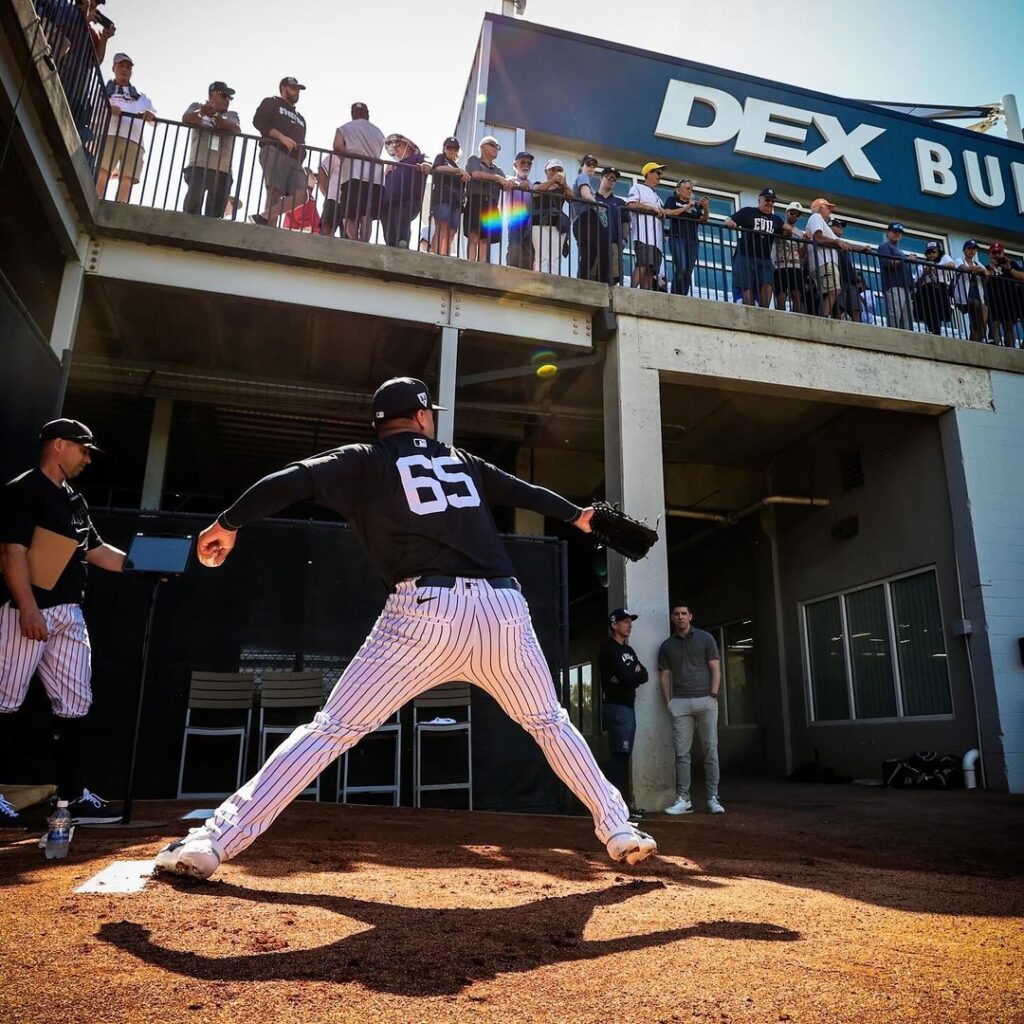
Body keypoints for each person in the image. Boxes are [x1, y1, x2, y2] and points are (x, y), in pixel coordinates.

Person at [155, 377, 657, 878]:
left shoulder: (364, 459)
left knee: (331, 731)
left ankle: (215, 840)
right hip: (503, 610)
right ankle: (618, 828)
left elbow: (288, 481)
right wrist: (581, 516)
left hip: (425, 614)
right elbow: (526, 492)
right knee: (549, 722)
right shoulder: (462, 460)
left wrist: (228, 522)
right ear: (421, 416)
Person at [0, 419, 127, 825]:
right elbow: (11, 553)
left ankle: (70, 796)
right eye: (82, 449)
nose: (87, 458)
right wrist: (28, 606)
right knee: (5, 698)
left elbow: (96, 550)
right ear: (58, 445)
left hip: (69, 611)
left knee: (75, 703)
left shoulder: (73, 499)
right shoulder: (24, 489)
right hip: (26, 610)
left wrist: (147, 563)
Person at [658, 601, 723, 816]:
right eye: (676, 614)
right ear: (672, 618)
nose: (680, 617)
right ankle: (684, 800)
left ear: (690, 616)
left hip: (705, 700)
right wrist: (669, 702)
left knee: (710, 751)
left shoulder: (706, 638)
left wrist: (713, 695)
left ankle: (713, 798)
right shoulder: (667, 646)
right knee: (682, 754)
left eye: (684, 613)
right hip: (680, 703)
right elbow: (665, 675)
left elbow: (715, 668)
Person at [598, 608, 648, 815]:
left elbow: (643, 675)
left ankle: (619, 807)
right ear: (614, 625)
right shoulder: (609, 650)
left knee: (623, 756)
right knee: (619, 756)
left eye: (630, 622)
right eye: (625, 622)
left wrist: (629, 677)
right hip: (617, 707)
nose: (629, 625)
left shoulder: (628, 650)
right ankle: (615, 808)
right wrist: (630, 676)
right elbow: (629, 678)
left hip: (627, 706)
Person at [97, 53, 156, 203]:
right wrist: (109, 110)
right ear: (113, 68)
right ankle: (96, 202)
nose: (125, 69)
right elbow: (94, 113)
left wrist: (150, 116)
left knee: (127, 178)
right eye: (121, 66)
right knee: (103, 172)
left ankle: (120, 208)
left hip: (135, 141)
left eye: (128, 67)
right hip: (109, 135)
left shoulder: (142, 97)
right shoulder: (103, 91)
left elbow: (155, 119)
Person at [251, 77, 308, 227]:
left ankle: (263, 217)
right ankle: (268, 233)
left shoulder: (301, 117)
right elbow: (259, 121)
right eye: (293, 88)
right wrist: (282, 137)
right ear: (283, 87)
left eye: (298, 89)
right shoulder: (272, 102)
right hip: (274, 150)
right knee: (274, 192)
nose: (297, 92)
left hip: (295, 160)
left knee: (302, 195)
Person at [180, 81, 240, 219]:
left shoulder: (231, 114)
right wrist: (202, 113)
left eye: (229, 97)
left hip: (222, 170)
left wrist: (214, 116)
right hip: (198, 165)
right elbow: (186, 119)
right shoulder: (197, 107)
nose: (227, 100)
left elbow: (235, 128)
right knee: (192, 206)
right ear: (211, 94)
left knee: (215, 213)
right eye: (224, 95)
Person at [724, 187, 788, 308]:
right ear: (760, 200)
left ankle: (764, 311)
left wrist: (789, 230)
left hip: (764, 258)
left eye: (772, 201)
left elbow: (785, 233)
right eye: (767, 200)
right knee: (746, 284)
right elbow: (730, 219)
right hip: (745, 254)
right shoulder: (748, 212)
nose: (770, 203)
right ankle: (749, 309)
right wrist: (729, 222)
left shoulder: (776, 219)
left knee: (767, 283)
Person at [333, 103, 386, 242]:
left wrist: (350, 152)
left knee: (348, 213)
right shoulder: (378, 132)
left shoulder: (345, 128)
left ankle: (355, 239)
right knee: (366, 214)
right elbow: (379, 151)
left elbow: (337, 146)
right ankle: (365, 241)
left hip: (353, 173)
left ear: (353, 113)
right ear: (367, 114)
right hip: (375, 176)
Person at [464, 136, 510, 263]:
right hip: (476, 200)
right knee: (474, 233)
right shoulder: (474, 160)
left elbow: (506, 184)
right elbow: (475, 174)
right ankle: (471, 261)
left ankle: (482, 263)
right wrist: (497, 178)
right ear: (483, 147)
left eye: (498, 147)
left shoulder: (498, 170)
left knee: (486, 237)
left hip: (492, 204)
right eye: (493, 145)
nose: (496, 149)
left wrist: (513, 183)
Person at [381, 134, 431, 249]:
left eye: (398, 145)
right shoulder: (392, 166)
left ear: (410, 146)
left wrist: (427, 166)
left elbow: (428, 164)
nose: (395, 149)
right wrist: (386, 173)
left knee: (401, 225)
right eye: (393, 147)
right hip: (389, 203)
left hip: (407, 200)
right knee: (389, 232)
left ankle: (403, 245)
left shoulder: (418, 158)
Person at [663, 179, 709, 296]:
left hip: (693, 240)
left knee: (688, 272)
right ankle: (675, 294)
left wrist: (705, 207)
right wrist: (686, 207)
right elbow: (667, 212)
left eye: (691, 189)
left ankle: (682, 295)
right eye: (687, 189)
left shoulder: (695, 205)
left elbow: (703, 219)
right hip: (677, 237)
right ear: (679, 190)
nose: (690, 191)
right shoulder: (672, 200)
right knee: (681, 268)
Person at [627, 161, 667, 291]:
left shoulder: (657, 196)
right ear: (648, 174)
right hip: (643, 235)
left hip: (657, 240)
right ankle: (631, 291)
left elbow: (663, 212)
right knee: (642, 264)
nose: (659, 175)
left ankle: (646, 295)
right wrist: (652, 209)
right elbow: (631, 205)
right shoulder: (637, 187)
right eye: (657, 172)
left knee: (651, 269)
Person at [429, 137, 470, 256]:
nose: (452, 150)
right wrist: (458, 171)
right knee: (442, 227)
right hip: (442, 198)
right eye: (449, 147)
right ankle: (435, 255)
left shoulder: (457, 167)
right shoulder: (440, 158)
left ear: (458, 151)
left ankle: (444, 255)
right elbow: (437, 168)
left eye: (455, 148)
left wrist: (463, 176)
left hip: (456, 202)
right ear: (444, 149)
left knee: (451, 232)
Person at [876, 223, 918, 331]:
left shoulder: (900, 251)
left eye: (899, 233)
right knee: (895, 313)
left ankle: (907, 339)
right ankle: (893, 335)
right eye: (894, 232)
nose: (897, 234)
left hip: (905, 288)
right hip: (894, 285)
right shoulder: (884, 246)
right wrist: (907, 259)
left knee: (907, 318)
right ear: (888, 233)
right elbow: (887, 263)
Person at [531, 159, 570, 274]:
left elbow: (572, 198)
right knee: (542, 255)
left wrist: (565, 184)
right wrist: (552, 181)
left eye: (559, 170)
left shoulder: (563, 189)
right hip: (540, 223)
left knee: (555, 256)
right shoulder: (539, 183)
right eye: (552, 169)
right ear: (546, 172)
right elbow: (535, 190)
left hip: (557, 224)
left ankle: (553, 281)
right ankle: (541, 280)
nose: (556, 172)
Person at [985, 242, 1024, 347]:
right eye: (994, 253)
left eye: (999, 252)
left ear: (1003, 253)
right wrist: (991, 269)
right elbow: (984, 281)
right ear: (990, 254)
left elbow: (1022, 277)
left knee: (1009, 326)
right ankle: (996, 347)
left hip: (1009, 301)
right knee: (994, 324)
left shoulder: (1012, 264)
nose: (997, 255)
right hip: (994, 301)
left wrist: (1009, 268)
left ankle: (1010, 348)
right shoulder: (987, 267)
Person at [913, 241, 955, 336]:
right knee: (929, 312)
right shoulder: (922, 265)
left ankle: (936, 332)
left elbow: (952, 265)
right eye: (929, 252)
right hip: (926, 290)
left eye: (934, 252)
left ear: (938, 252)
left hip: (940, 288)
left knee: (938, 312)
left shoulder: (944, 258)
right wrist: (925, 273)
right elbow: (916, 283)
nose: (931, 254)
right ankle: (932, 331)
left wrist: (935, 267)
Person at [596, 166, 629, 286]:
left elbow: (625, 222)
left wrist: (624, 240)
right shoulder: (592, 198)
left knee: (614, 277)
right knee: (593, 274)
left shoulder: (620, 202)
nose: (611, 180)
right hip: (595, 242)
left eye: (614, 179)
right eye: (608, 177)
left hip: (614, 243)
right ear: (601, 178)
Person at [571, 155, 602, 281]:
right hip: (585, 217)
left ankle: (583, 279)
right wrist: (599, 206)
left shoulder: (585, 180)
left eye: (593, 166)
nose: (591, 167)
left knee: (589, 252)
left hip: (583, 218)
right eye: (588, 164)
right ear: (582, 166)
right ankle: (582, 279)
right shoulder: (582, 176)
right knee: (588, 252)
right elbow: (585, 195)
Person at [773, 202, 806, 313]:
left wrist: (805, 242)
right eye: (792, 213)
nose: (794, 216)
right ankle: (780, 320)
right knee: (781, 296)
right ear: (787, 212)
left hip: (795, 267)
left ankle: (796, 320)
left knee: (796, 296)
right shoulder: (778, 227)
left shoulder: (800, 234)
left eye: (797, 215)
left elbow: (801, 255)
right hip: (780, 266)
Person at [505, 151, 536, 270]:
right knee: (515, 250)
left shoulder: (532, 185)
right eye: (522, 162)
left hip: (529, 223)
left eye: (529, 163)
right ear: (515, 165)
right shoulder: (509, 178)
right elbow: (507, 183)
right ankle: (511, 275)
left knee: (529, 253)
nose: (526, 165)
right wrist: (519, 184)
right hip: (515, 220)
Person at [953, 240, 988, 342]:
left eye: (974, 249)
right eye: (969, 248)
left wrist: (983, 271)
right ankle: (981, 334)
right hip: (964, 295)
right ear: (964, 250)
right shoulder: (959, 260)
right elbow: (962, 268)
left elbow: (987, 274)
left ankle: (975, 339)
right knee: (982, 308)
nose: (972, 251)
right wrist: (978, 269)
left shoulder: (978, 263)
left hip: (976, 295)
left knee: (976, 320)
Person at [830, 218, 862, 322]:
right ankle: (838, 326)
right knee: (839, 306)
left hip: (850, 279)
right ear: (830, 227)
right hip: (839, 278)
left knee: (856, 307)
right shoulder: (829, 240)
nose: (841, 228)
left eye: (841, 226)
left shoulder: (842, 243)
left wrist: (862, 248)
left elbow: (850, 246)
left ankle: (857, 329)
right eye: (838, 225)